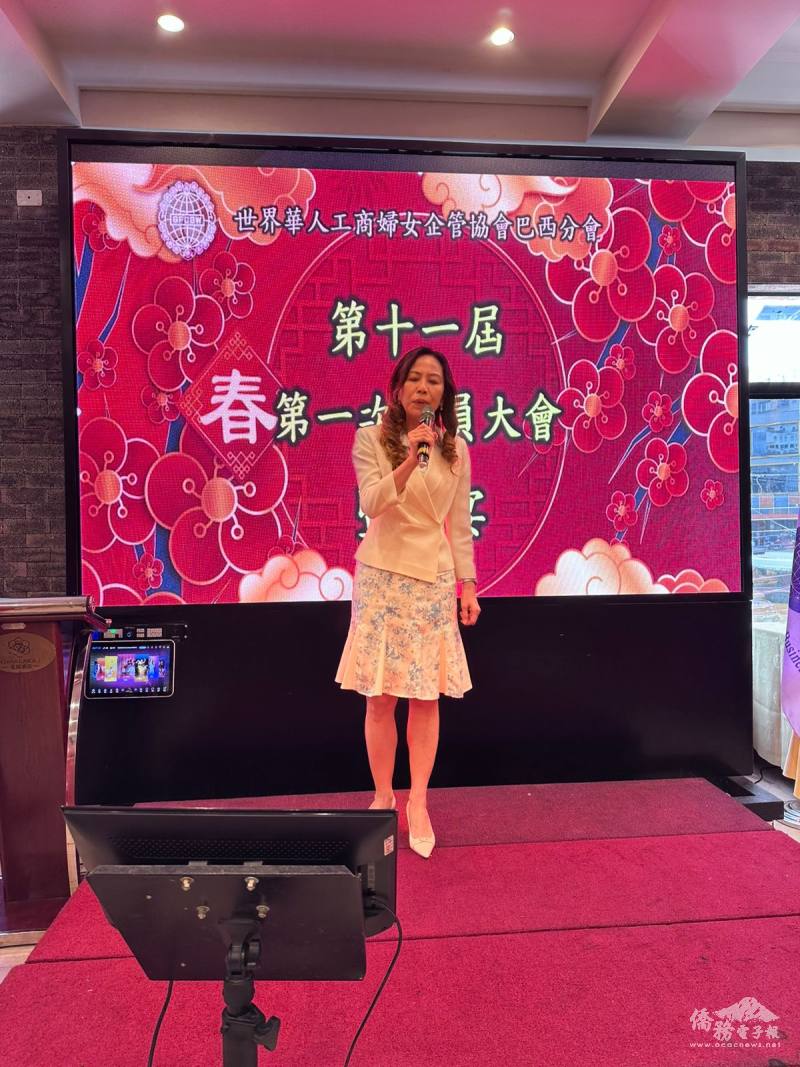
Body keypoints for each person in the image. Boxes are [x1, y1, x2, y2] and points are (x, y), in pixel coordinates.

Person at [336, 346, 480, 858]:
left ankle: (418, 801)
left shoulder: (455, 449)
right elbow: (372, 502)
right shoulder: (371, 437)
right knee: (379, 697)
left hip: (432, 579)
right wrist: (407, 460)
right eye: (415, 379)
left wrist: (468, 584)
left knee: (426, 696)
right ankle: (383, 796)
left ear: (445, 393)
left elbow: (458, 524)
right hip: (382, 576)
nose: (423, 387)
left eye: (433, 381)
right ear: (398, 389)